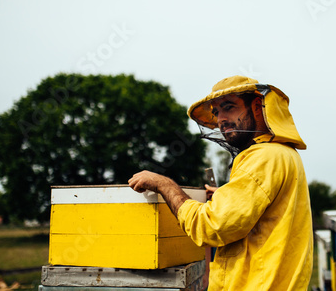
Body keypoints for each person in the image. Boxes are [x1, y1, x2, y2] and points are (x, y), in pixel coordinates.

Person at [128, 76, 313, 290]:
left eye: (229, 107)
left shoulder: (262, 157)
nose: (220, 119)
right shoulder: (283, 154)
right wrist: (226, 199)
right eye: (216, 112)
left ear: (257, 107)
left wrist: (164, 185)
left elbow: (211, 226)